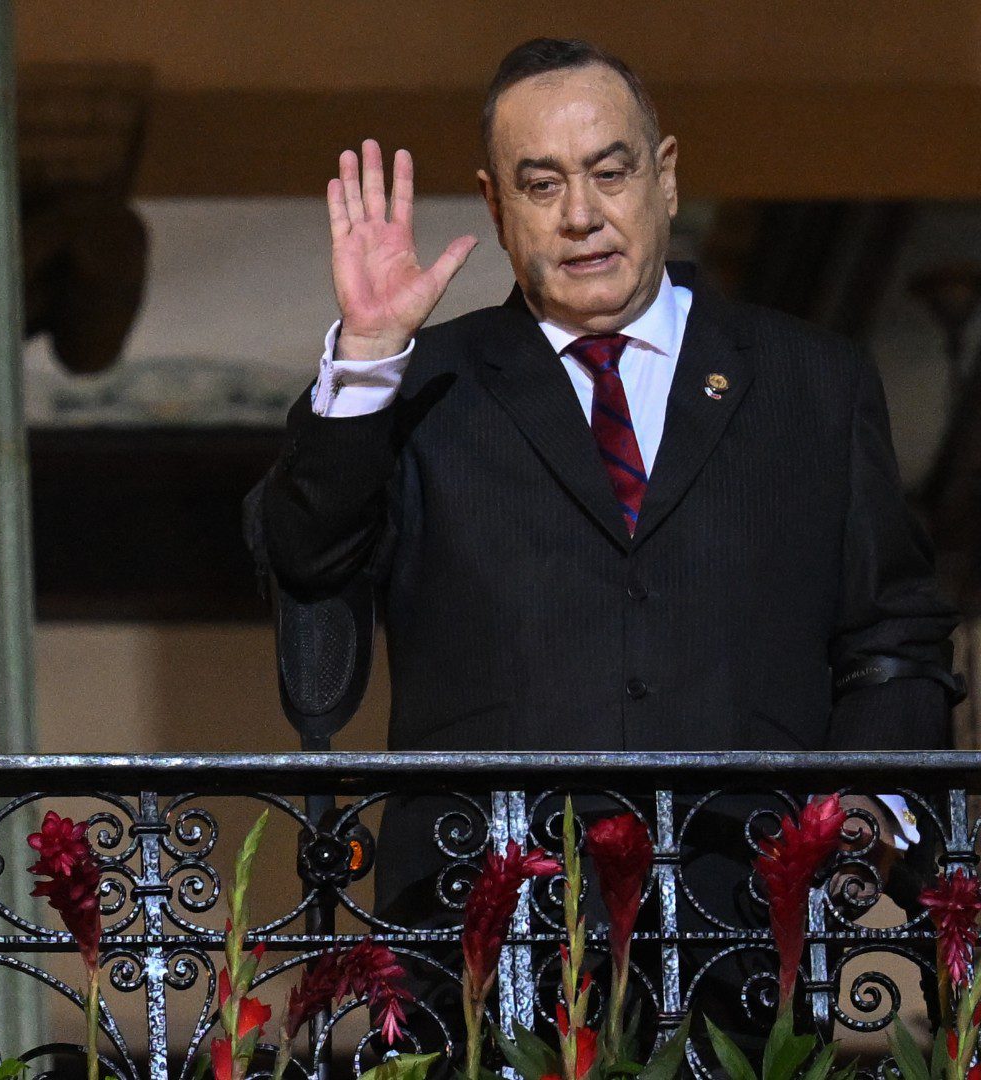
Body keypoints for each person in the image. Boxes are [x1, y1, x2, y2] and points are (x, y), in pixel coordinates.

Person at [260, 34, 960, 1018]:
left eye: (610, 172)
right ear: (496, 206)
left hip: (744, 942)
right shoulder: (418, 389)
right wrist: (371, 356)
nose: (580, 214)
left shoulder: (813, 383)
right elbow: (305, 555)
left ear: (665, 177)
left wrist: (862, 810)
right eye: (541, 185)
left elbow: (895, 640)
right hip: (480, 947)